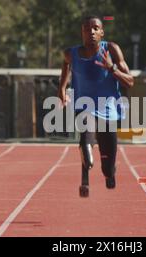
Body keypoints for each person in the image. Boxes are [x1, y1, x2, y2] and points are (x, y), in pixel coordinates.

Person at [58, 15, 134, 197]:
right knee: (86, 139)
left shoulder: (111, 49)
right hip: (84, 106)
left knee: (108, 164)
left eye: (95, 28)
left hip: (108, 109)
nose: (91, 32)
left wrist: (112, 68)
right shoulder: (71, 53)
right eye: (87, 29)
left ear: (101, 32)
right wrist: (61, 87)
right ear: (82, 33)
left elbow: (130, 82)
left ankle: (109, 172)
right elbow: (66, 64)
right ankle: (85, 179)